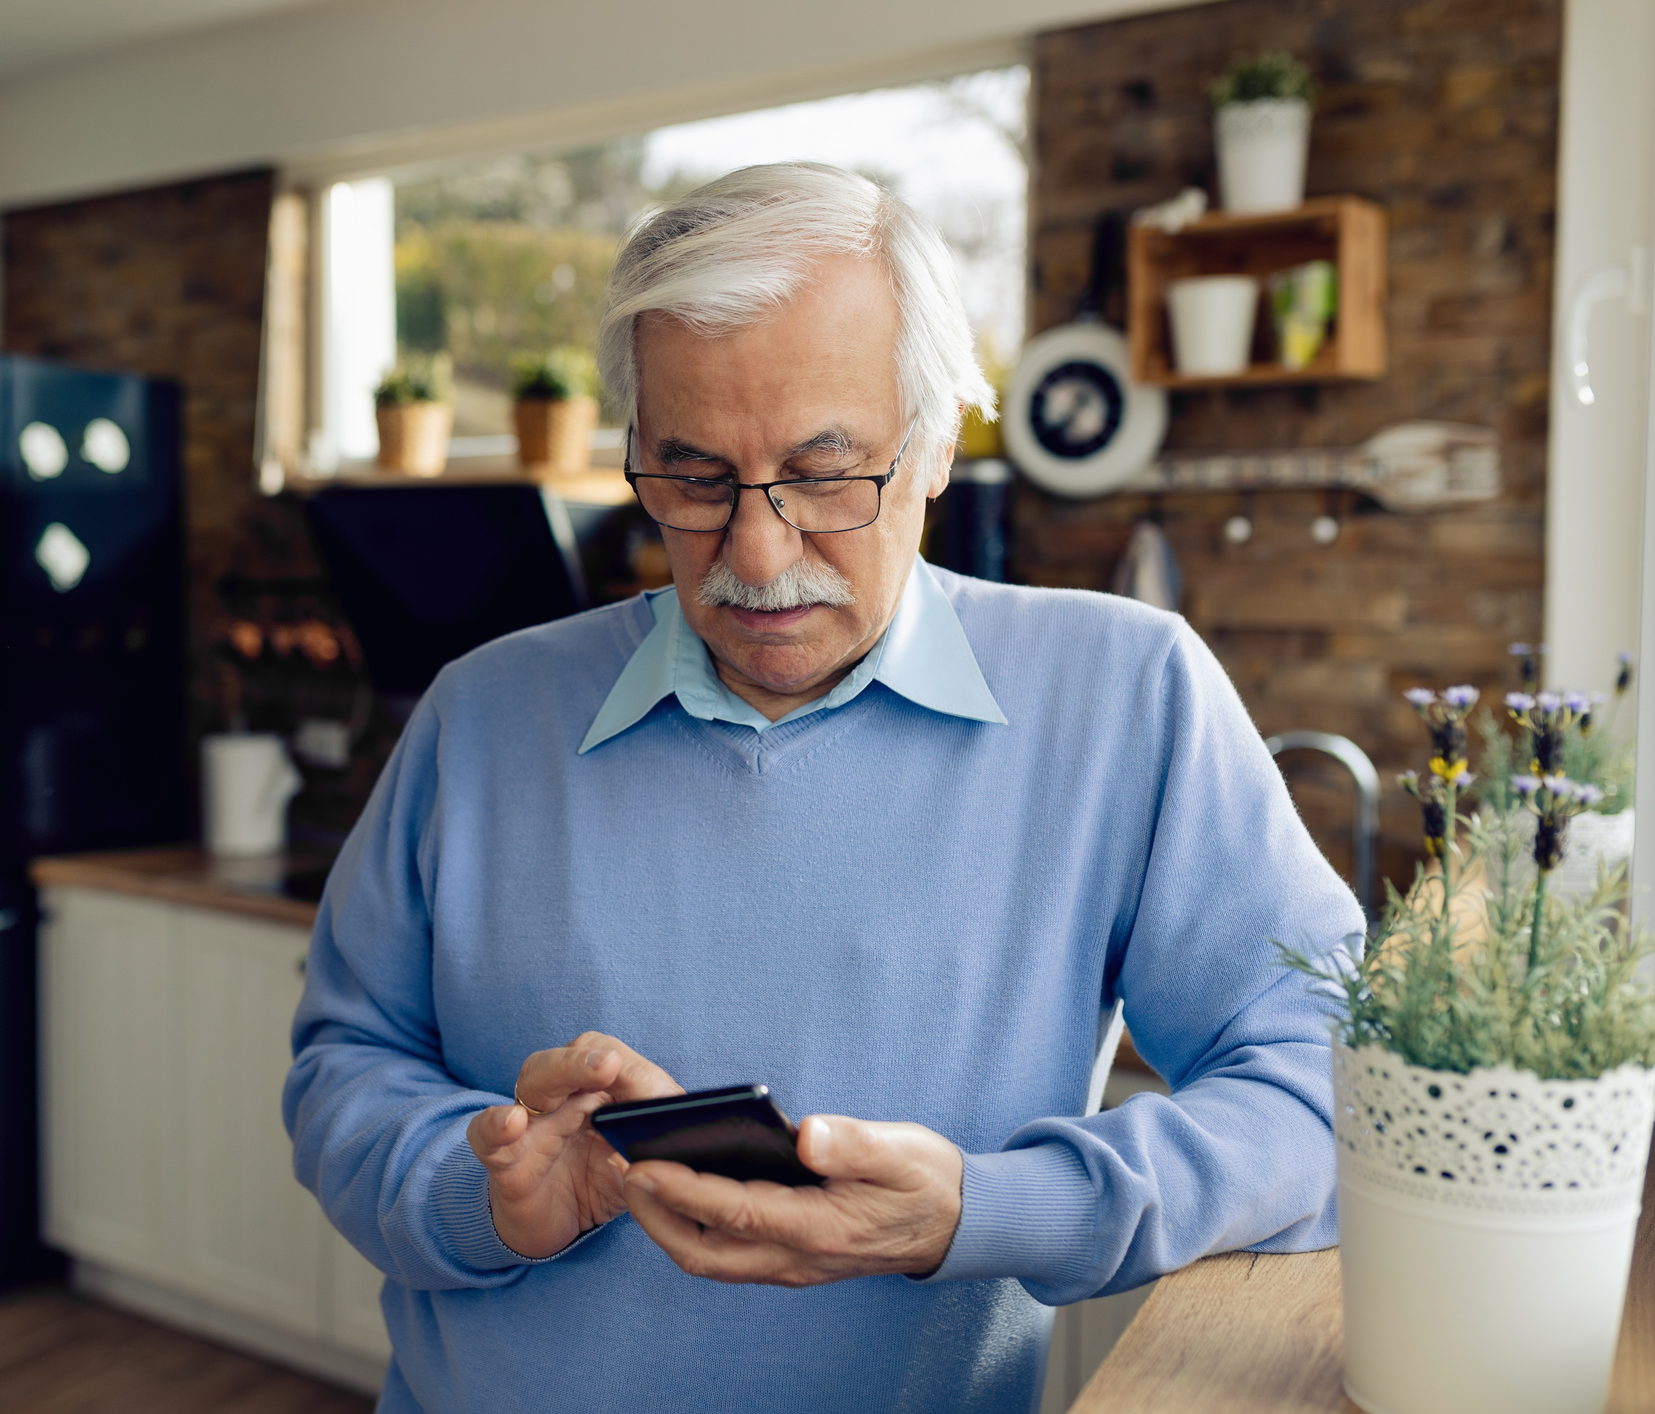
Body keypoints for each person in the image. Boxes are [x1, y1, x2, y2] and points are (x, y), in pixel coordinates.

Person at [283, 162, 1361, 1414]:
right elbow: (345, 1065)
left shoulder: (1129, 698)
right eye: (692, 478)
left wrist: (986, 1209)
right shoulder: (477, 716)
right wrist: (482, 1194)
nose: (756, 550)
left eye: (826, 471)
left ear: (936, 446)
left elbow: (1330, 1084)